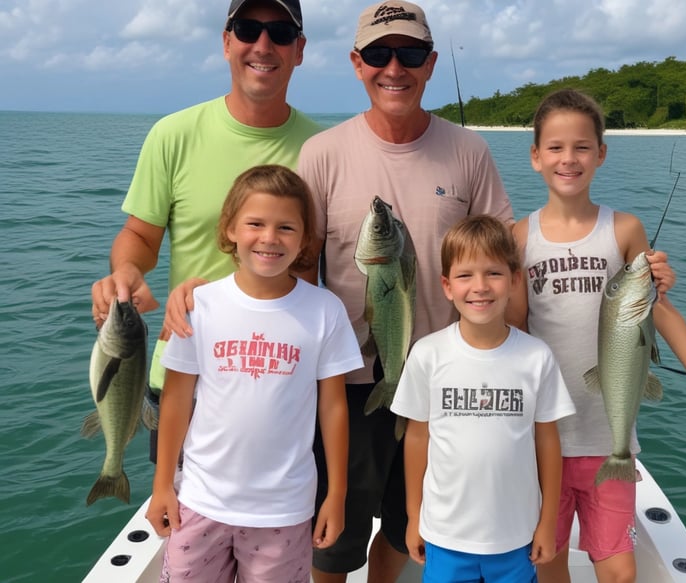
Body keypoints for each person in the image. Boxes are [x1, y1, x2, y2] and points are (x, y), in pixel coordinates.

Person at [296, 3, 518, 581]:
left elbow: (505, 260)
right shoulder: (321, 154)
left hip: (447, 378)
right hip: (346, 380)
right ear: (356, 63)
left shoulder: (470, 151)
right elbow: (296, 270)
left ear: (431, 63)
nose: (394, 67)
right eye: (378, 53)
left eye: (411, 53)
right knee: (335, 532)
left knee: (406, 527)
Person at [507, 88, 686, 583]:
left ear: (602, 154)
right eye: (556, 147)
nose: (569, 158)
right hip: (542, 434)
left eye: (583, 147)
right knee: (547, 560)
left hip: (609, 436)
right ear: (535, 157)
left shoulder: (625, 228)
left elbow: (659, 309)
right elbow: (516, 330)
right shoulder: (520, 237)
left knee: (620, 570)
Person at [90, 0, 320, 455]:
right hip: (183, 374)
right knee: (180, 521)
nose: (263, 44)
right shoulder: (171, 135)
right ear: (226, 41)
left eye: (280, 32)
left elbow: (317, 266)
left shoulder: (323, 150)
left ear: (299, 49)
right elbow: (139, 236)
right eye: (249, 28)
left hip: (283, 377)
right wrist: (127, 270)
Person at [145, 164, 363, 582]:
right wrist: (162, 486)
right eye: (255, 223)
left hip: (285, 508)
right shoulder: (198, 306)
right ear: (229, 229)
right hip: (199, 501)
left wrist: (335, 495)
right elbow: (175, 400)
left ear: (305, 240)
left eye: (286, 227)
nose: (269, 238)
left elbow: (334, 409)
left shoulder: (324, 311)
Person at [390, 215, 576, 582]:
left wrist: (547, 521)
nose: (480, 287)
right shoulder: (427, 354)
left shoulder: (537, 357)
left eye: (493, 273)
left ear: (514, 280)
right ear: (446, 285)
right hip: (444, 535)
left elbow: (548, 441)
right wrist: (415, 516)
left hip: (516, 537)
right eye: (464, 276)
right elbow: (417, 437)